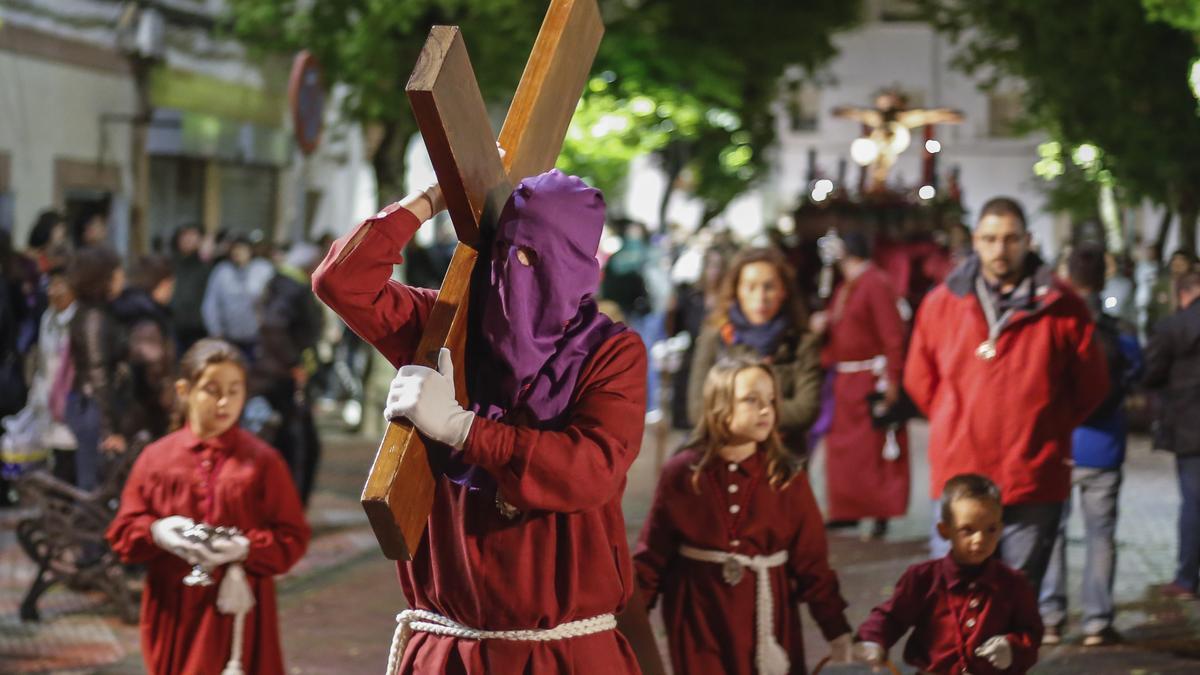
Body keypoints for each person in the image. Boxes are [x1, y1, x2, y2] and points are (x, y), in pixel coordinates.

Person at [313, 168, 648, 673]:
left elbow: (590, 470)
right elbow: (342, 282)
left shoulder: (611, 353)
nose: (517, 271)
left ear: (579, 266)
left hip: (564, 653)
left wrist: (462, 429)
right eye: (509, 251)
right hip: (451, 648)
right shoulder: (446, 328)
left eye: (539, 258)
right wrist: (431, 197)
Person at [904, 197, 1108, 593]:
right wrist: (954, 418)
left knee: (1016, 596)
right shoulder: (942, 303)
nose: (1000, 249)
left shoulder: (1062, 305)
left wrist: (1045, 424)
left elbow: (1091, 384)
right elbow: (919, 379)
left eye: (1011, 239)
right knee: (954, 596)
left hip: (1032, 473)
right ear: (975, 241)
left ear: (1028, 240)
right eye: (990, 239)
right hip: (959, 473)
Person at [634, 357, 853, 674]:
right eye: (752, 400)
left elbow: (812, 561)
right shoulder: (683, 473)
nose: (766, 410)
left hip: (767, 614)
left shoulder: (786, 476)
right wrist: (630, 621)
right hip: (698, 616)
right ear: (718, 405)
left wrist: (836, 627)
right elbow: (652, 556)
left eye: (771, 401)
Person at [107, 338, 310, 675]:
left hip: (240, 610)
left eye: (234, 390)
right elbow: (123, 534)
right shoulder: (157, 458)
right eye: (212, 389)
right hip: (174, 608)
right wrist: (157, 532)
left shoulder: (263, 461)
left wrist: (246, 548)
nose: (224, 401)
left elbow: (293, 538)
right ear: (185, 390)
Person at [1039, 244, 1142, 646]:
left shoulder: (1052, 321)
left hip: (1059, 443)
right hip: (1105, 444)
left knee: (1053, 533)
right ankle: (1097, 621)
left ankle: (1049, 617)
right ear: (1103, 278)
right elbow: (1136, 370)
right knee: (1101, 535)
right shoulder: (1120, 330)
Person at [856, 474, 1043, 674]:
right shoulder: (923, 578)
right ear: (945, 530)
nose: (980, 539)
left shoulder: (1013, 583)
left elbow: (1031, 633)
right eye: (967, 530)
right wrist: (873, 641)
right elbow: (891, 616)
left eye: (990, 529)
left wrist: (1012, 648)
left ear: (1000, 530)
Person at [810, 230, 909, 539]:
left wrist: (892, 379)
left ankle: (880, 511)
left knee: (874, 451)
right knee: (844, 452)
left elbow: (892, 335)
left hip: (869, 379)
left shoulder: (875, 283)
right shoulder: (846, 286)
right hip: (844, 379)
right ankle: (847, 510)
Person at [688, 247, 822, 460]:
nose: (760, 297)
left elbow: (805, 410)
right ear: (736, 291)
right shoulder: (717, 336)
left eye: (769, 287)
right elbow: (697, 408)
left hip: (782, 460)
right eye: (750, 287)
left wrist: (735, 409)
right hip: (723, 459)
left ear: (783, 291)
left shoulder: (801, 342)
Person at [1143, 270, 1200, 600]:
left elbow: (1150, 373)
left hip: (1189, 428)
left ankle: (1187, 577)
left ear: (1182, 295)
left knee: (1193, 503)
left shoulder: (1172, 328)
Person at [254, 242, 325, 504]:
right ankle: (289, 507)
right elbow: (274, 326)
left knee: (296, 444)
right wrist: (294, 363)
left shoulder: (285, 285)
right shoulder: (291, 288)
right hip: (285, 379)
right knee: (296, 446)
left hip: (282, 375)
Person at [0, 262, 77, 486]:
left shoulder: (81, 320)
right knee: (55, 463)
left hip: (71, 406)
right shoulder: (48, 318)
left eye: (58, 285)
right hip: (47, 403)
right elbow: (43, 365)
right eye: (50, 285)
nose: (52, 291)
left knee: (70, 466)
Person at [66, 247, 129, 490]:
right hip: (91, 405)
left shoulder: (96, 312)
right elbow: (98, 372)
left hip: (90, 403)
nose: (122, 277)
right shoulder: (94, 317)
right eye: (117, 272)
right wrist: (108, 429)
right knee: (92, 483)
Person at [112, 255, 177, 440]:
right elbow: (152, 369)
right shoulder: (146, 318)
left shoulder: (127, 307)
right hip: (144, 411)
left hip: (126, 405)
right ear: (162, 284)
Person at [201, 235, 274, 359]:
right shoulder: (221, 271)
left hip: (257, 338)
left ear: (250, 250)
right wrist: (215, 331)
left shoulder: (264, 269)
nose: (238, 253)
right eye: (234, 249)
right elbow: (211, 303)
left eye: (242, 249)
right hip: (229, 338)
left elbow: (273, 300)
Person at [170, 224, 212, 354]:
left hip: (199, 328)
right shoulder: (170, 263)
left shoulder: (207, 266)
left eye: (192, 236)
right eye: (184, 236)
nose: (188, 240)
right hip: (173, 326)